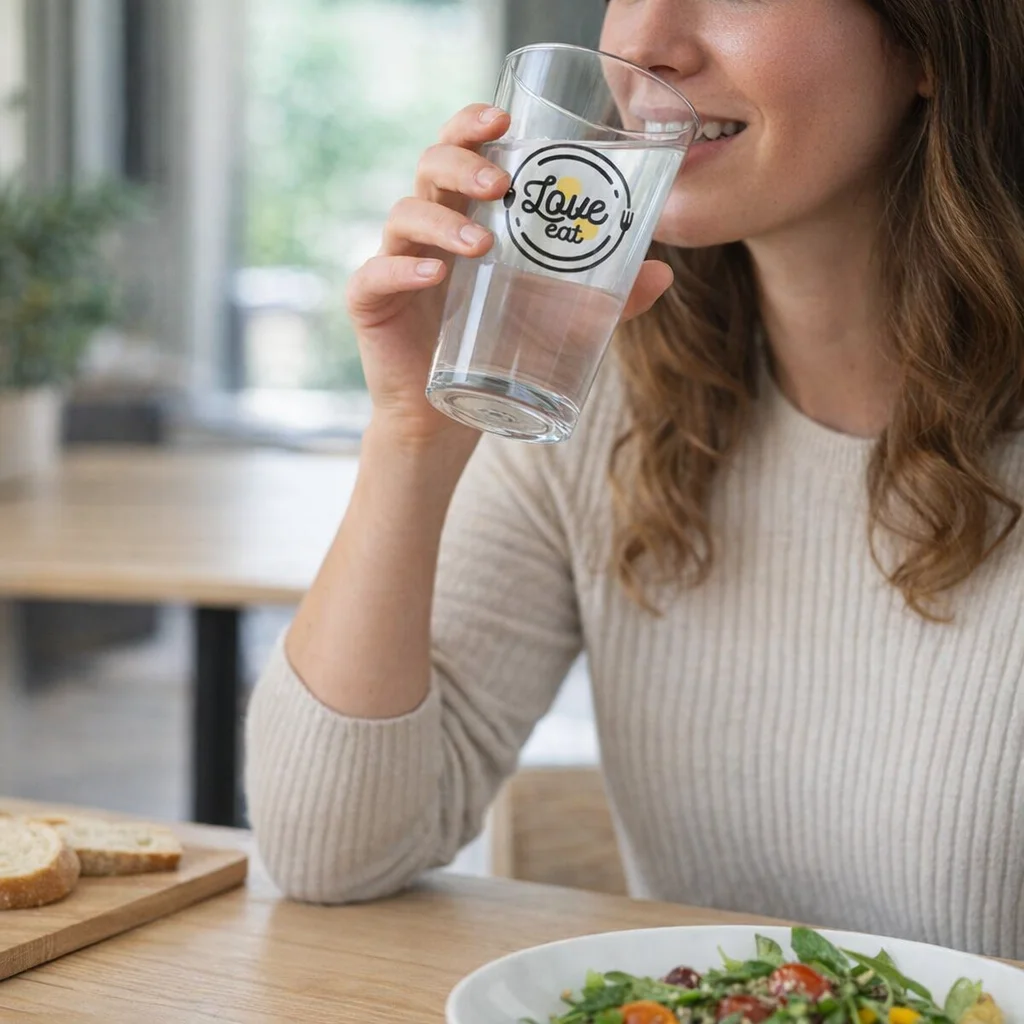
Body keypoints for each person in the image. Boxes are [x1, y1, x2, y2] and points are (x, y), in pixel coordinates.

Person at [243, 0, 1024, 959]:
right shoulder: (596, 393)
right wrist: (414, 432)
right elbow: (331, 852)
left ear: (930, 43)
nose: (642, 45)